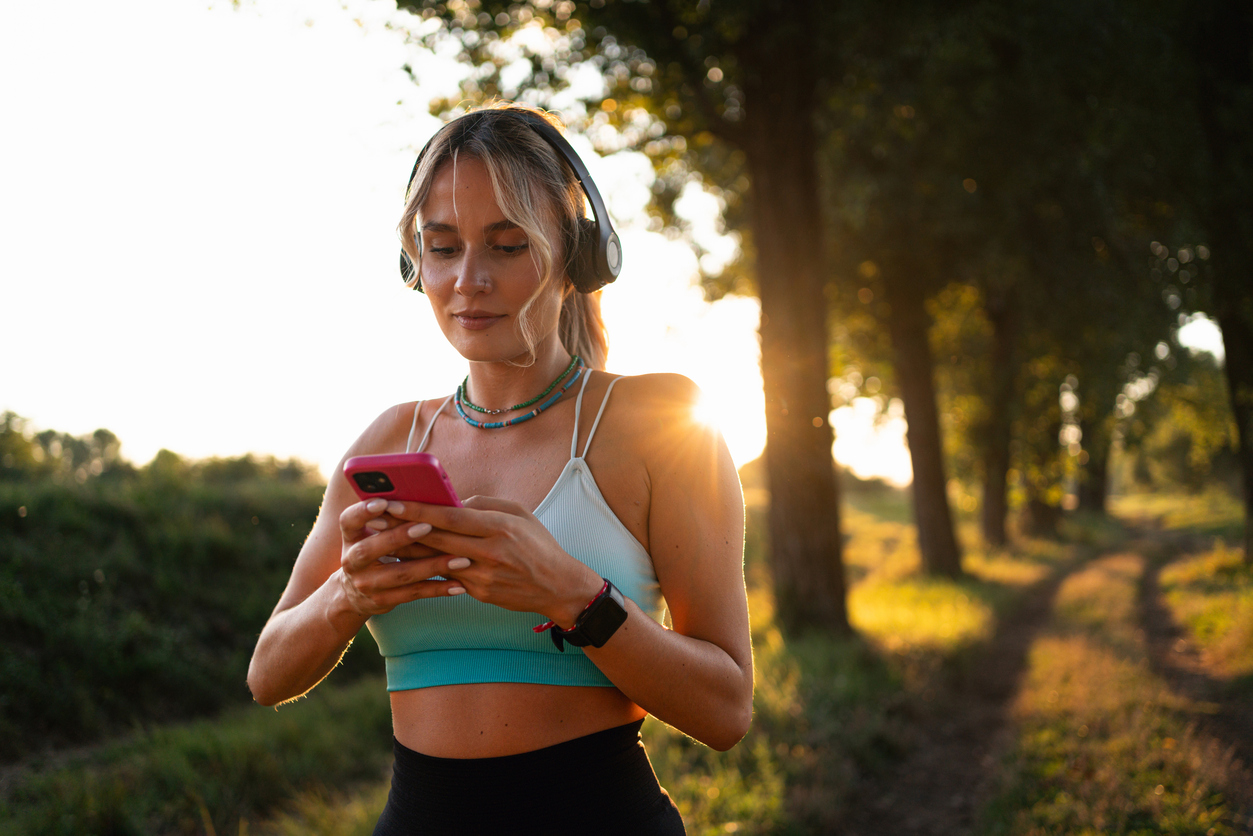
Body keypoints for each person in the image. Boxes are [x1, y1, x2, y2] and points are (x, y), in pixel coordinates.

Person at [246, 103, 753, 835]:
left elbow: (726, 711)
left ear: (577, 258)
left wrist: (573, 594)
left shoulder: (658, 423)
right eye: (442, 248)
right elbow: (268, 675)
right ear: (414, 263)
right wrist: (347, 596)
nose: (467, 280)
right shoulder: (391, 438)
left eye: (508, 246)